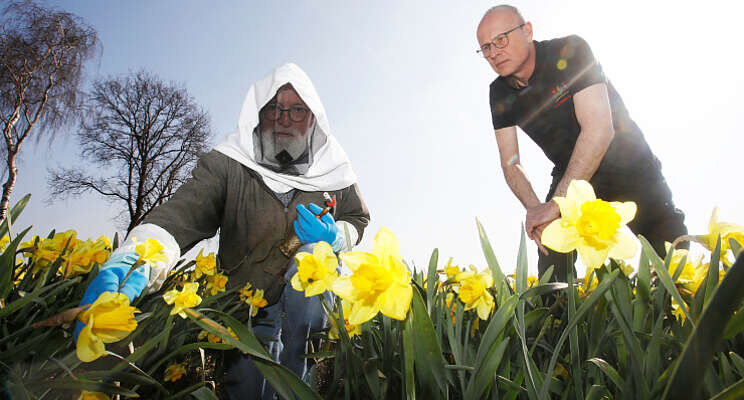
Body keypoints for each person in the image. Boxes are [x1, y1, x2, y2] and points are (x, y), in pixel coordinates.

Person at [74, 62, 370, 399]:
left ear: (313, 118)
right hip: (244, 302)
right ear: (258, 115)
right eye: (275, 108)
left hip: (305, 309)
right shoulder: (227, 163)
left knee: (310, 262)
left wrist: (337, 236)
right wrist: (136, 256)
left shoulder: (334, 170)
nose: (285, 118)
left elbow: (357, 218)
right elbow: (184, 212)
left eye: (297, 110)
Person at [476, 5, 687, 282]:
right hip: (571, 173)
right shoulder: (499, 93)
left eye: (500, 40)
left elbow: (599, 129)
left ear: (527, 31)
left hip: (627, 160)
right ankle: (559, 318)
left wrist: (556, 203)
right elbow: (510, 162)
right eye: (486, 48)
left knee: (669, 258)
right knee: (552, 259)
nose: (494, 53)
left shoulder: (570, 50)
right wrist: (536, 210)